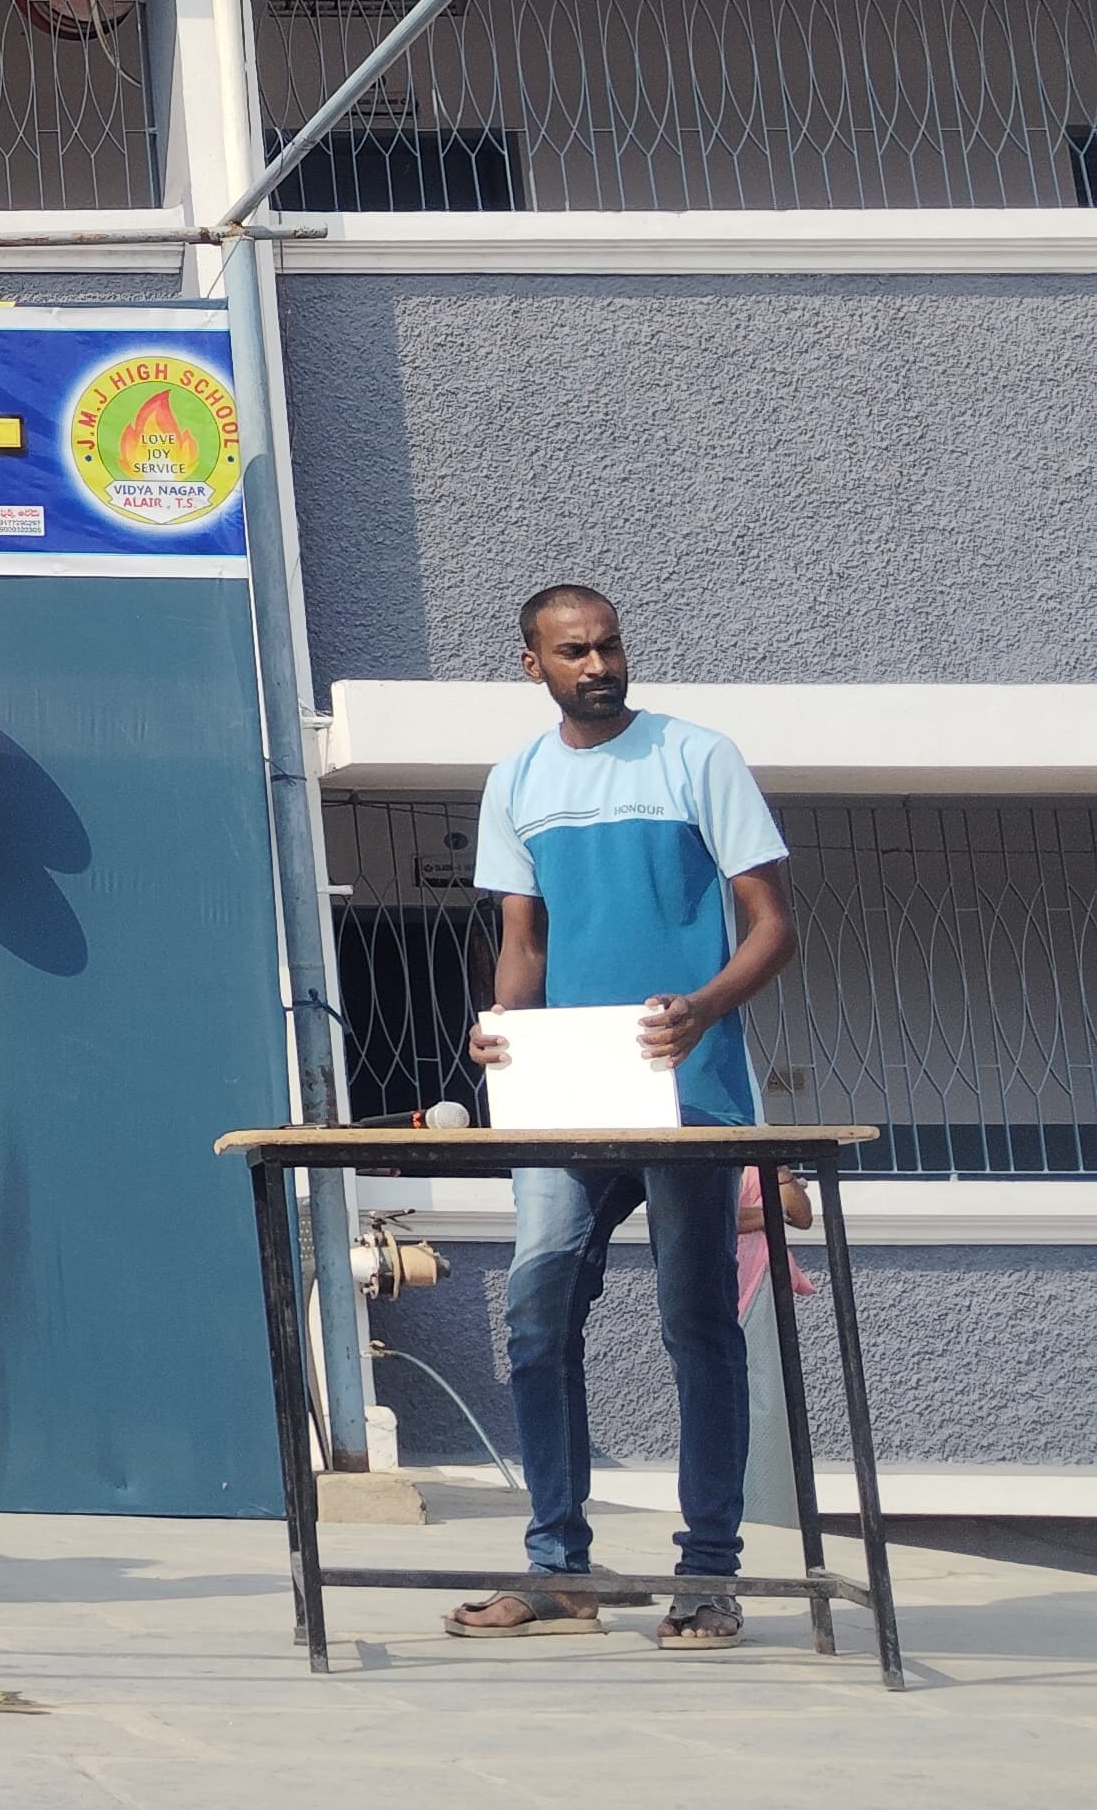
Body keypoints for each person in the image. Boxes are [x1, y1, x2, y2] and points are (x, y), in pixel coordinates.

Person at [448, 584, 797, 1654]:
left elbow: (774, 927)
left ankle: (709, 1575)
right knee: (537, 1313)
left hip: (692, 1095)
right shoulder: (517, 780)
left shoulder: (698, 756)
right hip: (566, 1097)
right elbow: (524, 940)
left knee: (697, 1326)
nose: (597, 665)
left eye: (608, 646)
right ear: (533, 665)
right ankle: (560, 1568)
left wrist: (703, 1010)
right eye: (573, 651)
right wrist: (502, 1031)